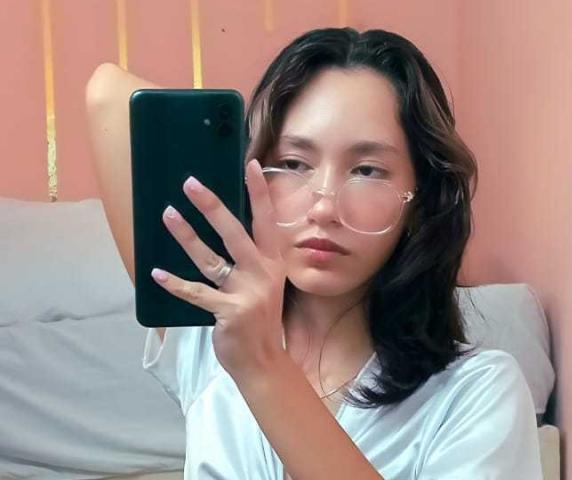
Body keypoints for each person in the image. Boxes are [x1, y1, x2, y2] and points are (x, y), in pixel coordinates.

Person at [85, 27, 542, 480]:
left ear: (420, 199)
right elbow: (107, 93)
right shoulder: (215, 330)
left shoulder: (476, 393)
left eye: (366, 170)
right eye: (292, 164)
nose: (323, 207)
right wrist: (234, 159)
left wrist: (263, 366)